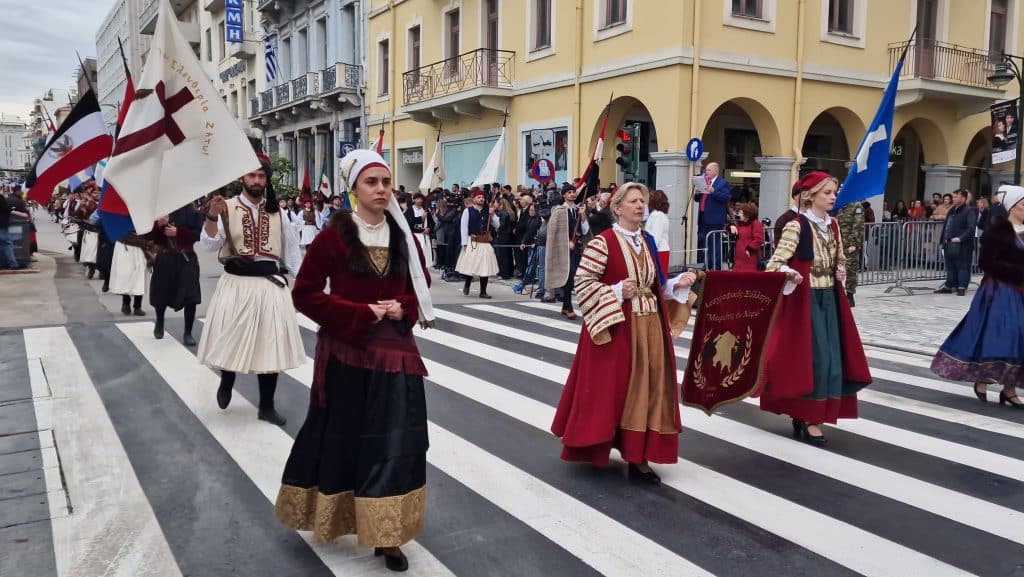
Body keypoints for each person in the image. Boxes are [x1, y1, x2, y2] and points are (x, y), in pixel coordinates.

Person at [275, 150, 435, 573]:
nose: (382, 189)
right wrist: (359, 314)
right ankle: (341, 515)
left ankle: (390, 535)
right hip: (347, 352)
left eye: (386, 182)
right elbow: (305, 293)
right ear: (354, 189)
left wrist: (404, 308)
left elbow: (422, 288)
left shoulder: (404, 238)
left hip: (397, 356)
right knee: (345, 435)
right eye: (372, 182)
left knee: (398, 442)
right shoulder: (332, 238)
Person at [551, 183, 697, 484]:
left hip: (651, 326)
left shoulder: (649, 241)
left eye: (643, 201)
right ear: (617, 208)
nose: (640, 206)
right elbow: (583, 284)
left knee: (650, 388)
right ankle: (602, 442)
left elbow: (655, 284)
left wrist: (677, 283)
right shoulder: (602, 242)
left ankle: (638, 456)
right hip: (619, 326)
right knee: (617, 389)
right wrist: (616, 290)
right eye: (633, 201)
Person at [761, 171, 872, 446]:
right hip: (805, 301)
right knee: (815, 360)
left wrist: (842, 269)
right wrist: (790, 273)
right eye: (827, 193)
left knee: (833, 360)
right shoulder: (797, 226)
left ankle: (813, 415)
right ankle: (809, 416)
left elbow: (840, 257)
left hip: (829, 299)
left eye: (834, 192)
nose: (833, 197)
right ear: (811, 196)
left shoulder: (832, 225)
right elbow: (774, 264)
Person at [196, 153, 304, 426]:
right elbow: (208, 245)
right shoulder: (226, 207)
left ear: (266, 180)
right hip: (237, 285)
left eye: (261, 176)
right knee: (231, 338)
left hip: (270, 286)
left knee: (271, 346)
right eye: (251, 175)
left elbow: (291, 254)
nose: (256, 181)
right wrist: (211, 215)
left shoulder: (280, 213)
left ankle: (266, 406)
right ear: (242, 178)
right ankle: (227, 377)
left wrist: (305, 284)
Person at [932, 185, 1024, 409]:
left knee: (1020, 338)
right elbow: (986, 262)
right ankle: (988, 379)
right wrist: (1016, 271)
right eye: (1023, 204)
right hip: (1002, 290)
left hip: (1021, 290)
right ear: (1012, 207)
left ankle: (1008, 388)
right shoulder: (998, 231)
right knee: (1005, 335)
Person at [150, 204, 203, 345]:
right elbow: (153, 239)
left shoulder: (194, 213)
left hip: (187, 258)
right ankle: (160, 322)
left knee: (191, 295)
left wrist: (178, 232)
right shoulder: (162, 210)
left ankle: (188, 332)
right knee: (161, 292)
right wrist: (158, 226)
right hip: (165, 258)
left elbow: (199, 235)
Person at [545, 186, 591, 319]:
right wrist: (566, 243)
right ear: (564, 195)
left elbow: (585, 230)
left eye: (573, 192)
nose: (572, 195)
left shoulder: (578, 210)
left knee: (572, 276)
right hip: (563, 249)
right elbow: (553, 231)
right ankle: (568, 307)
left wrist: (583, 217)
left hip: (576, 247)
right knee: (568, 275)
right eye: (569, 193)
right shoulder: (559, 210)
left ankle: (565, 306)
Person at [456, 188, 499, 298]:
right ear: (474, 199)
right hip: (472, 241)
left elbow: (497, 225)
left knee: (484, 267)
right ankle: (467, 283)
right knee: (471, 265)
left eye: (483, 197)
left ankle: (483, 291)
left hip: (484, 242)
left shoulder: (488, 211)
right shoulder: (468, 211)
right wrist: (464, 243)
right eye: (479, 197)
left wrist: (493, 214)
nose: (481, 199)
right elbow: (464, 228)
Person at [934, 189, 977, 296]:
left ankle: (961, 287)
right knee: (950, 266)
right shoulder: (952, 209)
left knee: (962, 266)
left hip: (963, 244)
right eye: (953, 197)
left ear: (963, 198)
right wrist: (942, 240)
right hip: (949, 242)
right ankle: (950, 286)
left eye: (956, 197)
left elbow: (971, 228)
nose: (953, 199)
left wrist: (960, 238)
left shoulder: (969, 210)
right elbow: (946, 225)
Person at [694, 162, 731, 270]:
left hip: (715, 219)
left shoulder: (722, 183)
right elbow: (698, 200)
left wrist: (713, 191)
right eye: (706, 170)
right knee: (706, 244)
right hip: (703, 217)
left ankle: (716, 267)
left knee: (715, 244)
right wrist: (697, 194)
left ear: (715, 171)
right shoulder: (705, 182)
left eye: (708, 170)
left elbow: (725, 198)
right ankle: (709, 265)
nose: (706, 172)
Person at [836, 201, 865, 307]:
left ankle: (849, 295)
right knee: (841, 268)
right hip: (840, 243)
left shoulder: (856, 206)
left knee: (850, 269)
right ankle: (841, 294)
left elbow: (858, 225)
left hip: (849, 244)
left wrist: (855, 244)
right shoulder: (840, 206)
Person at [731, 202, 764, 272]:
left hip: (751, 258)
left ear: (747, 214)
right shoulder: (741, 224)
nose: (739, 215)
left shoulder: (756, 223)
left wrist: (749, 249)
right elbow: (729, 230)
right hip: (739, 258)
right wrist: (730, 226)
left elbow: (759, 239)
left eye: (741, 213)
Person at [404, 192, 434, 269]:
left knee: (424, 255)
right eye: (417, 199)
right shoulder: (410, 210)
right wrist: (421, 218)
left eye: (421, 199)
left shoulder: (426, 210)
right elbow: (408, 222)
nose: (420, 200)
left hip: (424, 236)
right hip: (415, 235)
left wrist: (429, 228)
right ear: (414, 200)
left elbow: (432, 223)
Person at [646, 189, 671, 272]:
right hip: (659, 250)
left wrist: (649, 251)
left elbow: (656, 237)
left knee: (659, 279)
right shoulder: (659, 215)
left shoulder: (657, 216)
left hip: (658, 251)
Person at [0, 191, 26, 270]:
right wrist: (11, 209)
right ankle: (13, 264)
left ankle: (3, 263)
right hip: (2, 225)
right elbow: (6, 208)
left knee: (2, 244)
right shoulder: (1, 198)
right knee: (7, 244)